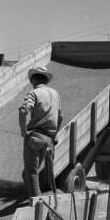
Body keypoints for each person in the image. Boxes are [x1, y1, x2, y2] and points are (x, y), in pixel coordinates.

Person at [18, 66, 63, 197]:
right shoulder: (55, 93)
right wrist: (54, 135)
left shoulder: (34, 93)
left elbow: (23, 111)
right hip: (49, 139)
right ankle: (38, 197)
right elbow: (60, 116)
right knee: (31, 172)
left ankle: (36, 205)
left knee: (31, 173)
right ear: (46, 80)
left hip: (35, 137)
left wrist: (23, 130)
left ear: (33, 80)